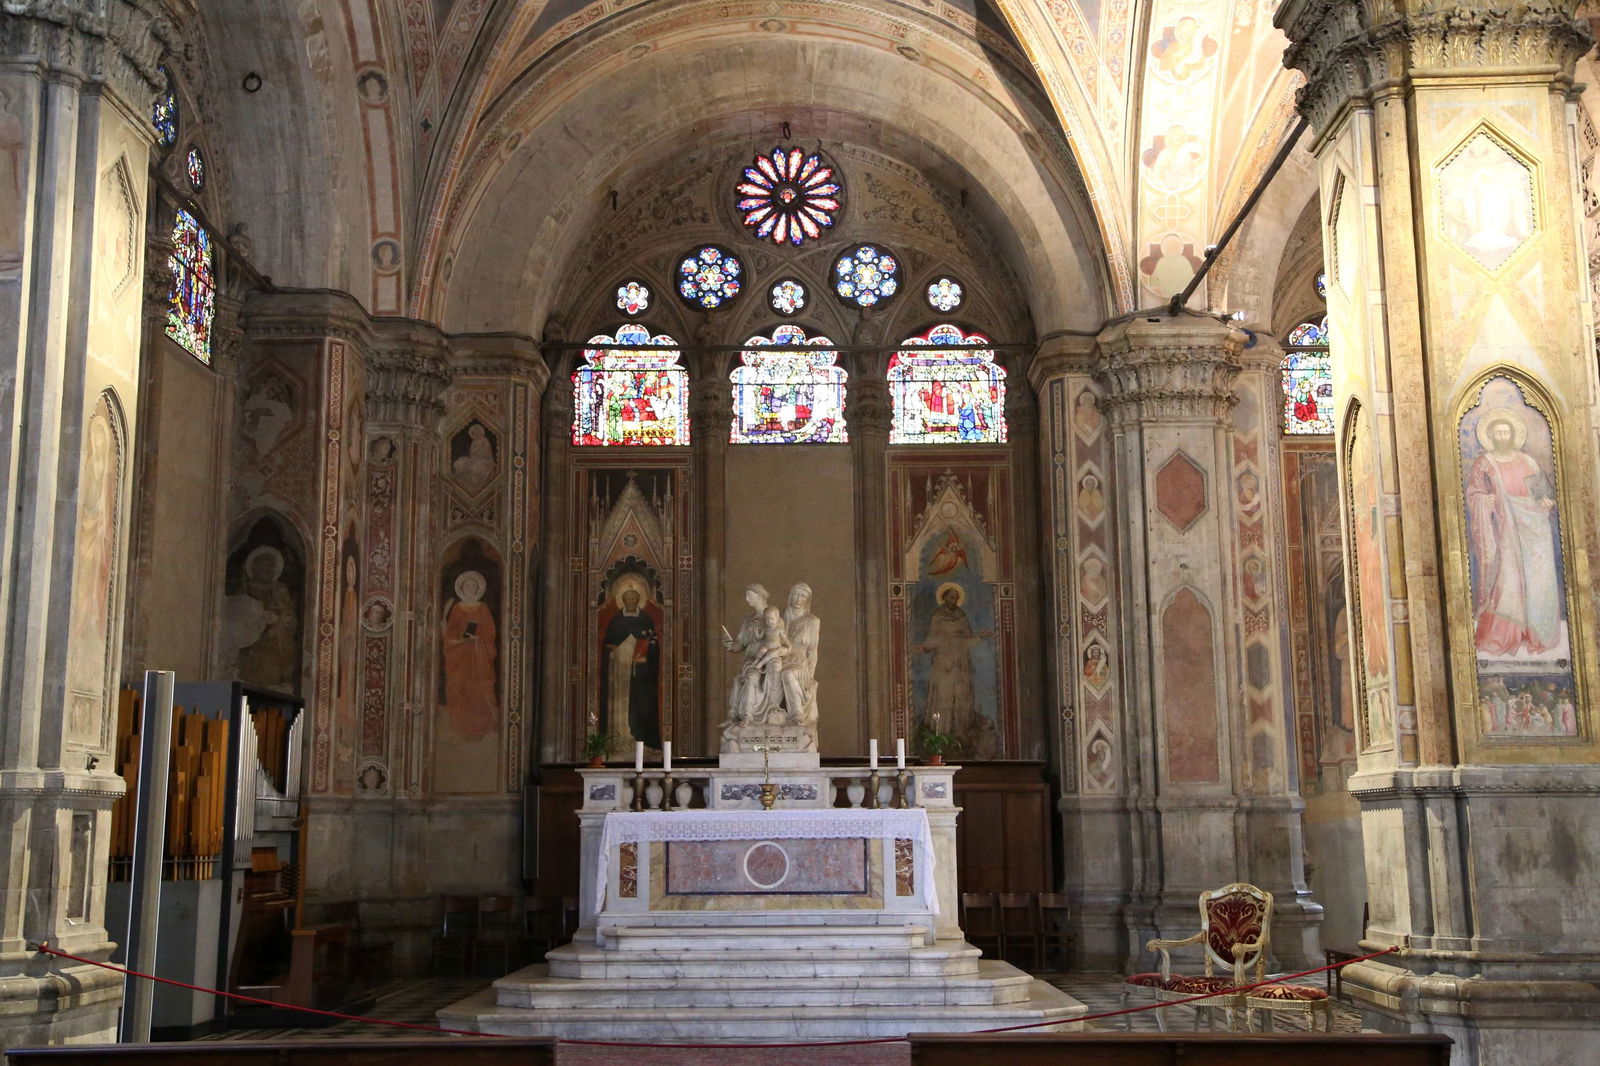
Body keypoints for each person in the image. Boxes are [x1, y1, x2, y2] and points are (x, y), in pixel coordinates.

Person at [1464, 409, 1561, 657]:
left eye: (1506, 431)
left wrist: (1545, 501)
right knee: (1507, 579)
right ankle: (1505, 634)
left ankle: (1535, 633)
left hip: (1533, 526)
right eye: (1498, 432)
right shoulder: (1485, 463)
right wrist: (1489, 501)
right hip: (1502, 527)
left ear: (1513, 434)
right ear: (1491, 435)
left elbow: (1543, 493)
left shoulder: (1528, 462)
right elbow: (1474, 495)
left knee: (1536, 578)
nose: (1502, 435)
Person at [918, 584, 991, 738]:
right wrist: (925, 647)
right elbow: (933, 638)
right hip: (943, 662)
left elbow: (967, 638)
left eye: (956, 598)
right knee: (944, 694)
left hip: (960, 662)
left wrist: (980, 636)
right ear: (944, 597)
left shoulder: (961, 616)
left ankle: (960, 730)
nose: (954, 600)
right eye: (951, 597)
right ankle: (941, 730)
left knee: (961, 694)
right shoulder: (937, 616)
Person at [600, 582, 661, 749]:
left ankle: (640, 738)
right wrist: (612, 650)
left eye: (635, 598)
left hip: (639, 673)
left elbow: (653, 646)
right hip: (619, 670)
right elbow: (608, 645)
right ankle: (619, 738)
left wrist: (646, 659)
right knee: (619, 703)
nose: (631, 601)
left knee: (640, 703)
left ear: (639, 600)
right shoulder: (616, 620)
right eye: (628, 598)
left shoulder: (645, 619)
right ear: (623, 600)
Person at [442, 570, 497, 739]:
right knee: (459, 687)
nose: (471, 588)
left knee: (481, 687)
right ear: (462, 588)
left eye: (474, 585)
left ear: (478, 588)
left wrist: (478, 638)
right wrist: (461, 640)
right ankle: (460, 726)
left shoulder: (483, 608)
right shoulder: (457, 609)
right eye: (468, 585)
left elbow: (490, 632)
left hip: (479, 656)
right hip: (460, 656)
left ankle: (483, 726)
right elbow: (450, 633)